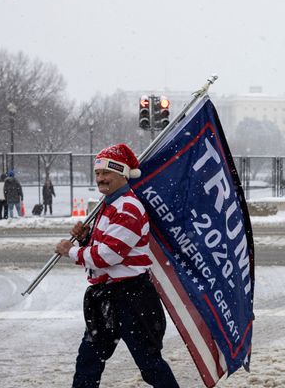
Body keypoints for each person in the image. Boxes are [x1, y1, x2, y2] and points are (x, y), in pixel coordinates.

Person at [55, 143, 178, 388]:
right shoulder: (109, 205)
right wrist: (85, 239)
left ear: (122, 174)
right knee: (89, 360)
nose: (101, 179)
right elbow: (104, 247)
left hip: (132, 298)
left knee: (150, 365)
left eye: (106, 173)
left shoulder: (128, 207)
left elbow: (108, 256)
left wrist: (72, 251)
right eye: (98, 173)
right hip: (106, 297)